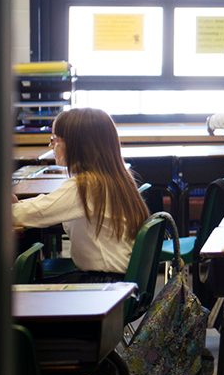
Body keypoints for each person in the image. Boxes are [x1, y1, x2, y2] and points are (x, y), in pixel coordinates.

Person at [12, 107, 149, 282]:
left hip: (103, 285)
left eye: (55, 140)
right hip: (119, 282)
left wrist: (10, 206)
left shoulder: (85, 187)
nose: (51, 146)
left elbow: (31, 213)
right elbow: (47, 205)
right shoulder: (113, 178)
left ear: (75, 144)